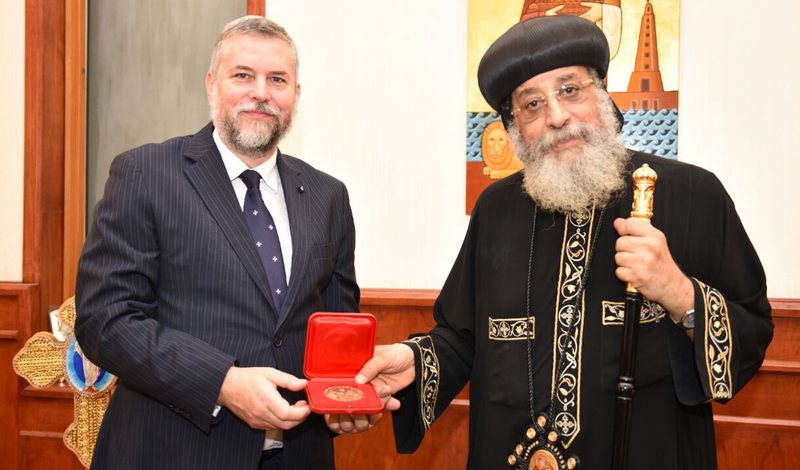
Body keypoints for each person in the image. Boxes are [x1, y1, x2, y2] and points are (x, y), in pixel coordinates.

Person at [347, 15, 773, 469]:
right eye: (531, 104)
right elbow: (463, 337)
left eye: (570, 90)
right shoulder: (495, 209)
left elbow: (751, 333)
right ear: (514, 129)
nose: (556, 116)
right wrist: (412, 361)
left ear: (603, 93)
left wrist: (678, 293)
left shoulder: (693, 194)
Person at [75, 16, 360, 469]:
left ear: (296, 96)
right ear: (212, 85)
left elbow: (336, 326)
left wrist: (345, 399)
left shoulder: (329, 196)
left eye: (278, 79)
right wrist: (222, 382)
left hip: (299, 455)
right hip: (171, 453)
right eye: (243, 75)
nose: (261, 92)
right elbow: (104, 321)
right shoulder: (146, 174)